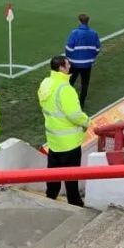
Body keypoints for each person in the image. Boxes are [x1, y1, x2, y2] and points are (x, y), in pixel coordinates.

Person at [38, 56, 89, 207]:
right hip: (69, 142)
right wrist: (87, 122)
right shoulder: (66, 89)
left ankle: (50, 197)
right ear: (61, 68)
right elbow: (75, 115)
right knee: (71, 176)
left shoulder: (46, 83)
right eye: (67, 64)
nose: (70, 66)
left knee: (53, 173)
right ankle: (74, 202)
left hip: (53, 139)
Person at [64, 13, 101, 108]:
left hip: (74, 63)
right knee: (85, 83)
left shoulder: (74, 33)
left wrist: (69, 58)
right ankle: (81, 103)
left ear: (79, 21)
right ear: (88, 21)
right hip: (87, 64)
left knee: (69, 82)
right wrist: (91, 58)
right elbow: (97, 48)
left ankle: (67, 100)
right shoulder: (94, 33)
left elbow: (68, 48)